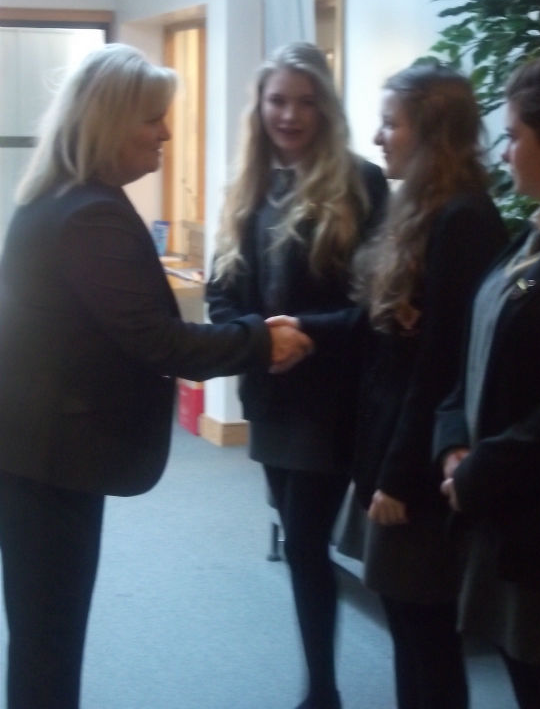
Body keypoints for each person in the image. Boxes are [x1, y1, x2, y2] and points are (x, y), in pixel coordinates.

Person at [0, 43, 312, 709]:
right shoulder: (91, 214)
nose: (167, 132)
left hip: (35, 449)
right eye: (152, 119)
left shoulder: (60, 198)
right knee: (49, 637)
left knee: (41, 632)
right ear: (110, 122)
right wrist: (261, 340)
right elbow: (159, 340)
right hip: (50, 457)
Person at [284, 63, 508, 708]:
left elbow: (440, 366)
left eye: (391, 124)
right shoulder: (420, 207)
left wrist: (400, 476)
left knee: (424, 632)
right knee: (408, 623)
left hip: (416, 467)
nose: (379, 138)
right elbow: (380, 327)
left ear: (432, 133)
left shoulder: (462, 219)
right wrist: (303, 327)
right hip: (392, 447)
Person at [205, 41, 388, 709]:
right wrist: (257, 341)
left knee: (306, 541)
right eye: (277, 100)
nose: (290, 115)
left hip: (328, 396)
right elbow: (222, 292)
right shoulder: (248, 185)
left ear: (326, 108)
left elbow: (376, 305)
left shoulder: (362, 184)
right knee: (296, 535)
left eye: (306, 102)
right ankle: (322, 685)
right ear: (259, 105)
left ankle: (322, 690)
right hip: (269, 393)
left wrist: (299, 333)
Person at [436, 53, 540, 709]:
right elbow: (474, 350)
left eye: (512, 136)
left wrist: (481, 471)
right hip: (509, 515)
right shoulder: (535, 234)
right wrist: (452, 439)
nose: (503, 154)